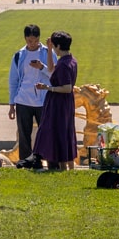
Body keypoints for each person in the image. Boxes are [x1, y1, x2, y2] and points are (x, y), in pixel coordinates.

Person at [33, 30, 78, 170]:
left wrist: (47, 88)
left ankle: (63, 166)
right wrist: (49, 50)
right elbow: (52, 69)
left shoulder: (64, 65)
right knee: (65, 131)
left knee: (58, 132)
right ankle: (68, 166)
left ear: (58, 46)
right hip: (65, 103)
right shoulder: (70, 60)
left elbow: (67, 88)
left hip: (59, 102)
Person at [8, 24, 49, 166]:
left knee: (45, 133)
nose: (32, 44)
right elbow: (13, 80)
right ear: (25, 38)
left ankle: (44, 160)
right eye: (29, 41)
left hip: (42, 100)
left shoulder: (47, 53)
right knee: (24, 135)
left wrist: (42, 67)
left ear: (39, 38)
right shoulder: (19, 55)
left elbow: (54, 74)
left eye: (35, 40)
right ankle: (26, 161)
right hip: (23, 100)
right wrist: (12, 104)